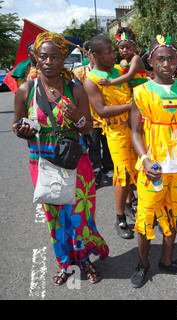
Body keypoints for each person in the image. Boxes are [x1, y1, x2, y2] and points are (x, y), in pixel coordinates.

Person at [12, 31, 109, 286]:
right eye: (43, 56)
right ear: (36, 58)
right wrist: (22, 131)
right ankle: (65, 263)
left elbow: (88, 127)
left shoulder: (76, 90)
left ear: (63, 59)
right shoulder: (25, 90)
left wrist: (77, 115)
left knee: (80, 214)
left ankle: (85, 257)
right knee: (55, 216)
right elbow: (16, 125)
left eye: (55, 57)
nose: (48, 61)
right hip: (43, 163)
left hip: (76, 161)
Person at [129, 36, 177, 288]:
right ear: (151, 61)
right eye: (161, 58)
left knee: (174, 212)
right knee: (146, 216)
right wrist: (145, 160)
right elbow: (135, 131)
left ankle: (167, 261)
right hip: (154, 166)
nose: (167, 63)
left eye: (172, 58)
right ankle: (143, 263)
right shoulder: (140, 91)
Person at [84, 35, 138, 239]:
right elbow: (102, 110)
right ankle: (120, 218)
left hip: (135, 128)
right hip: (115, 132)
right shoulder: (91, 81)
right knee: (122, 173)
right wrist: (132, 105)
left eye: (113, 51)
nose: (114, 55)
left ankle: (129, 204)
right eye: (109, 52)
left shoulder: (117, 71)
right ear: (95, 55)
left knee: (136, 169)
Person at [73, 46, 114, 187]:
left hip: (108, 116)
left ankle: (109, 168)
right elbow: (76, 94)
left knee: (108, 145)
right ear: (89, 57)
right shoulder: (79, 73)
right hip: (91, 118)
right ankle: (95, 175)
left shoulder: (109, 71)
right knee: (94, 147)